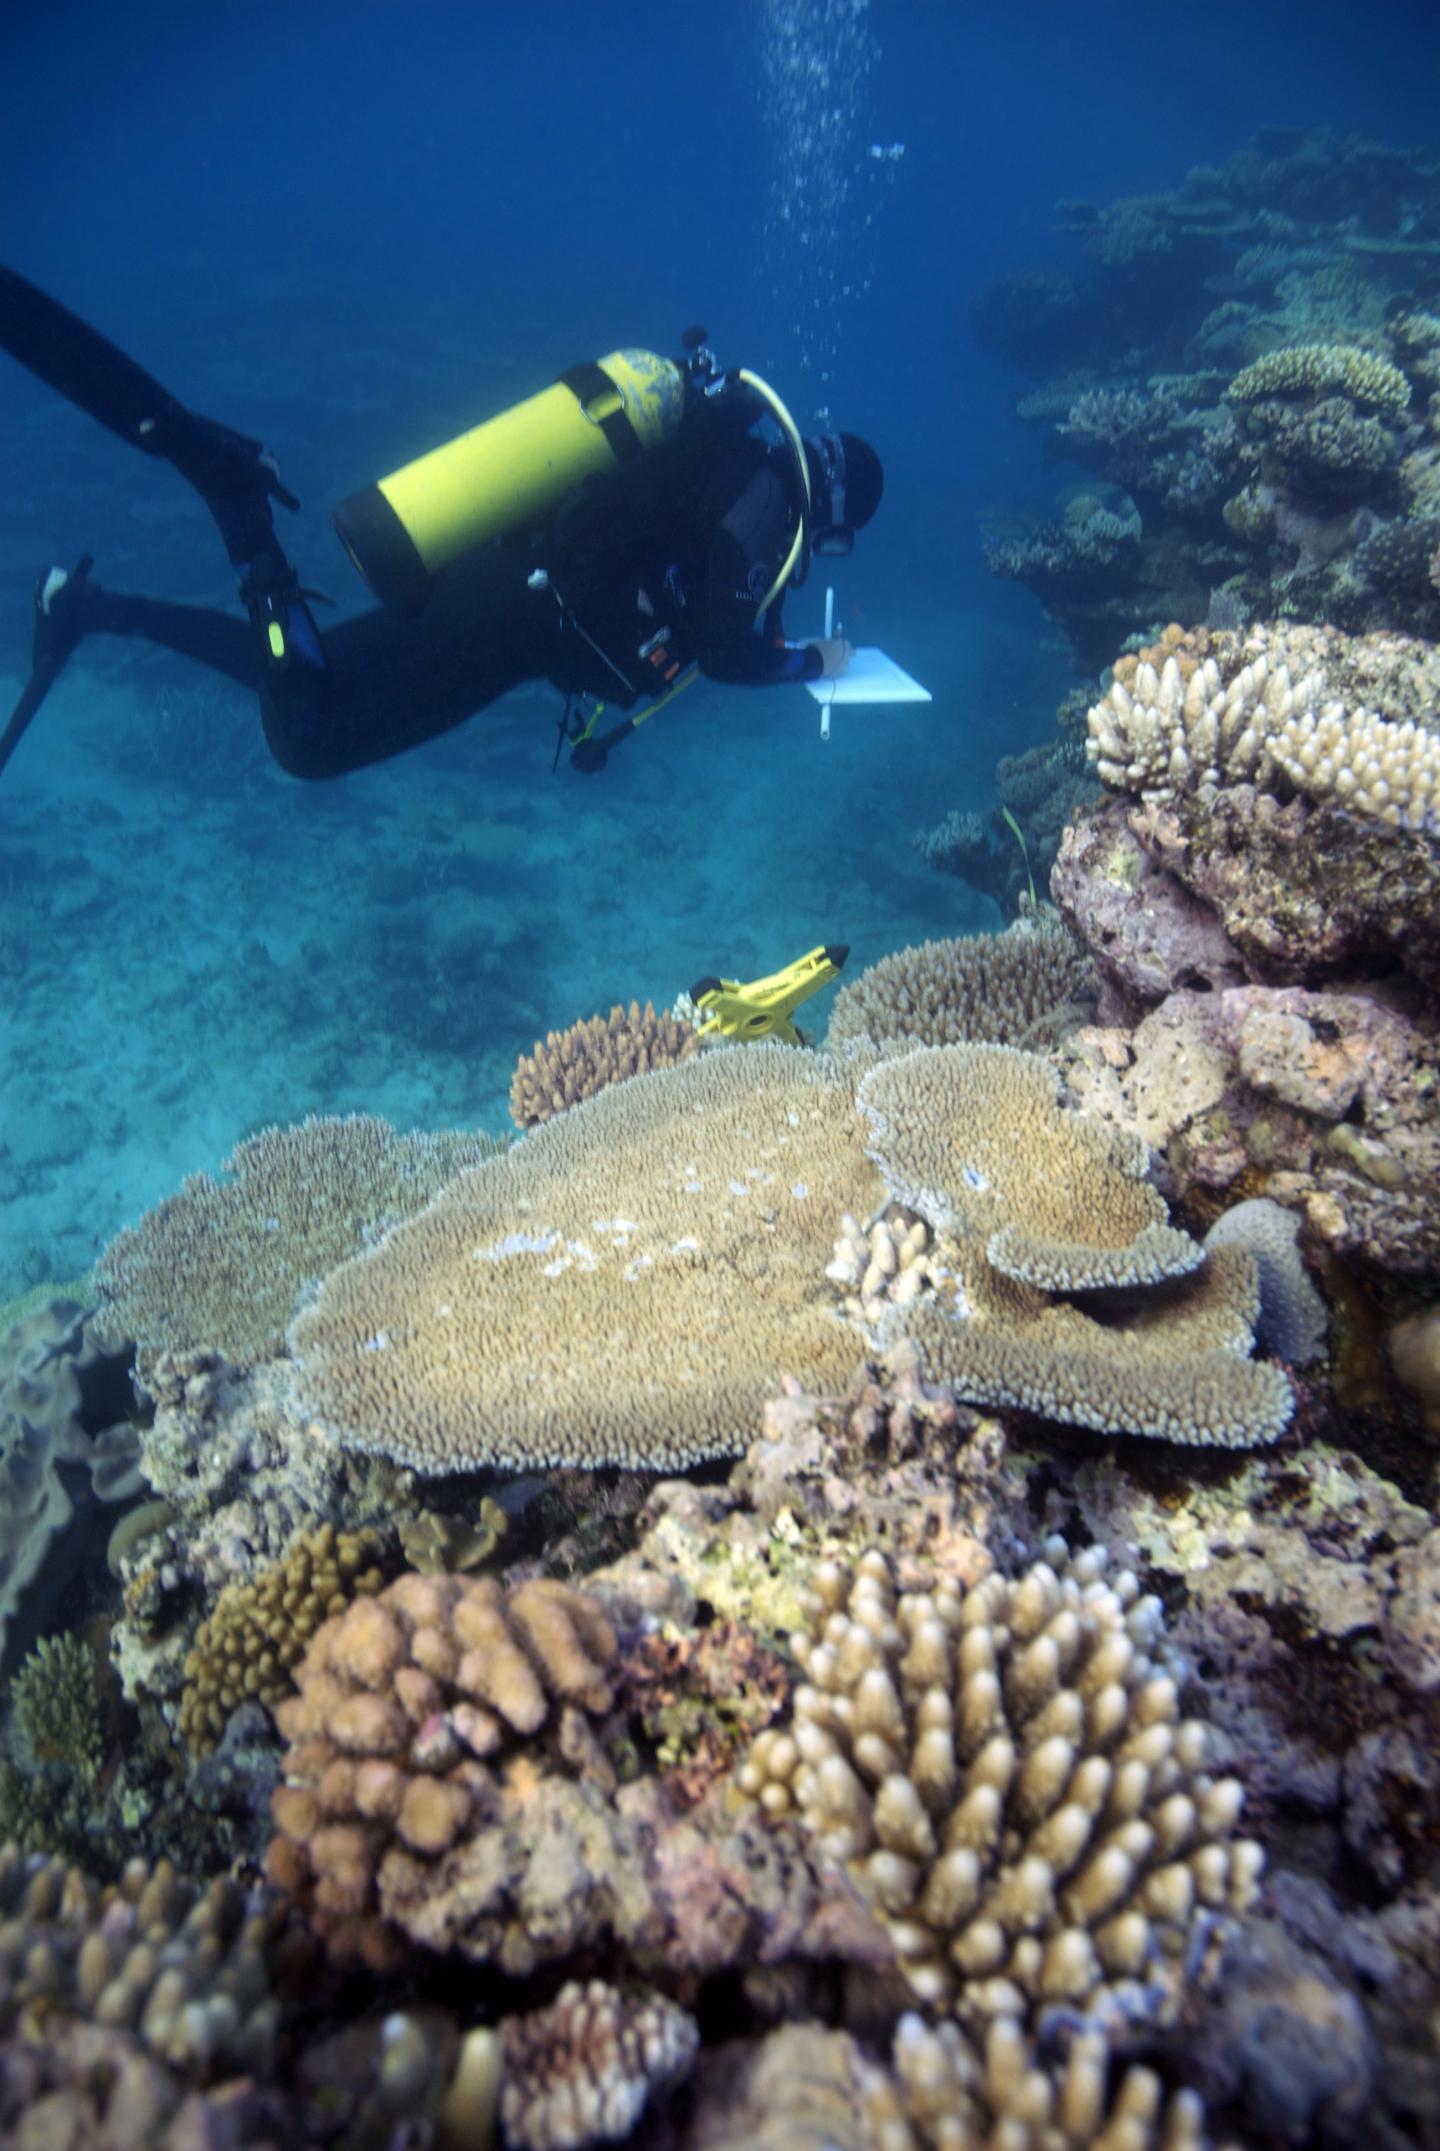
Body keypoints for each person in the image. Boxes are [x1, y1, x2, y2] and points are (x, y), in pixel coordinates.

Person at [2, 273, 883, 782]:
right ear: (835, 516)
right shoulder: (767, 509)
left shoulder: (734, 456)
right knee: (311, 741)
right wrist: (813, 661)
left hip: (497, 573)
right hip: (514, 631)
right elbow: (724, 652)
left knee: (306, 672)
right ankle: (238, 513)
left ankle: (95, 609)